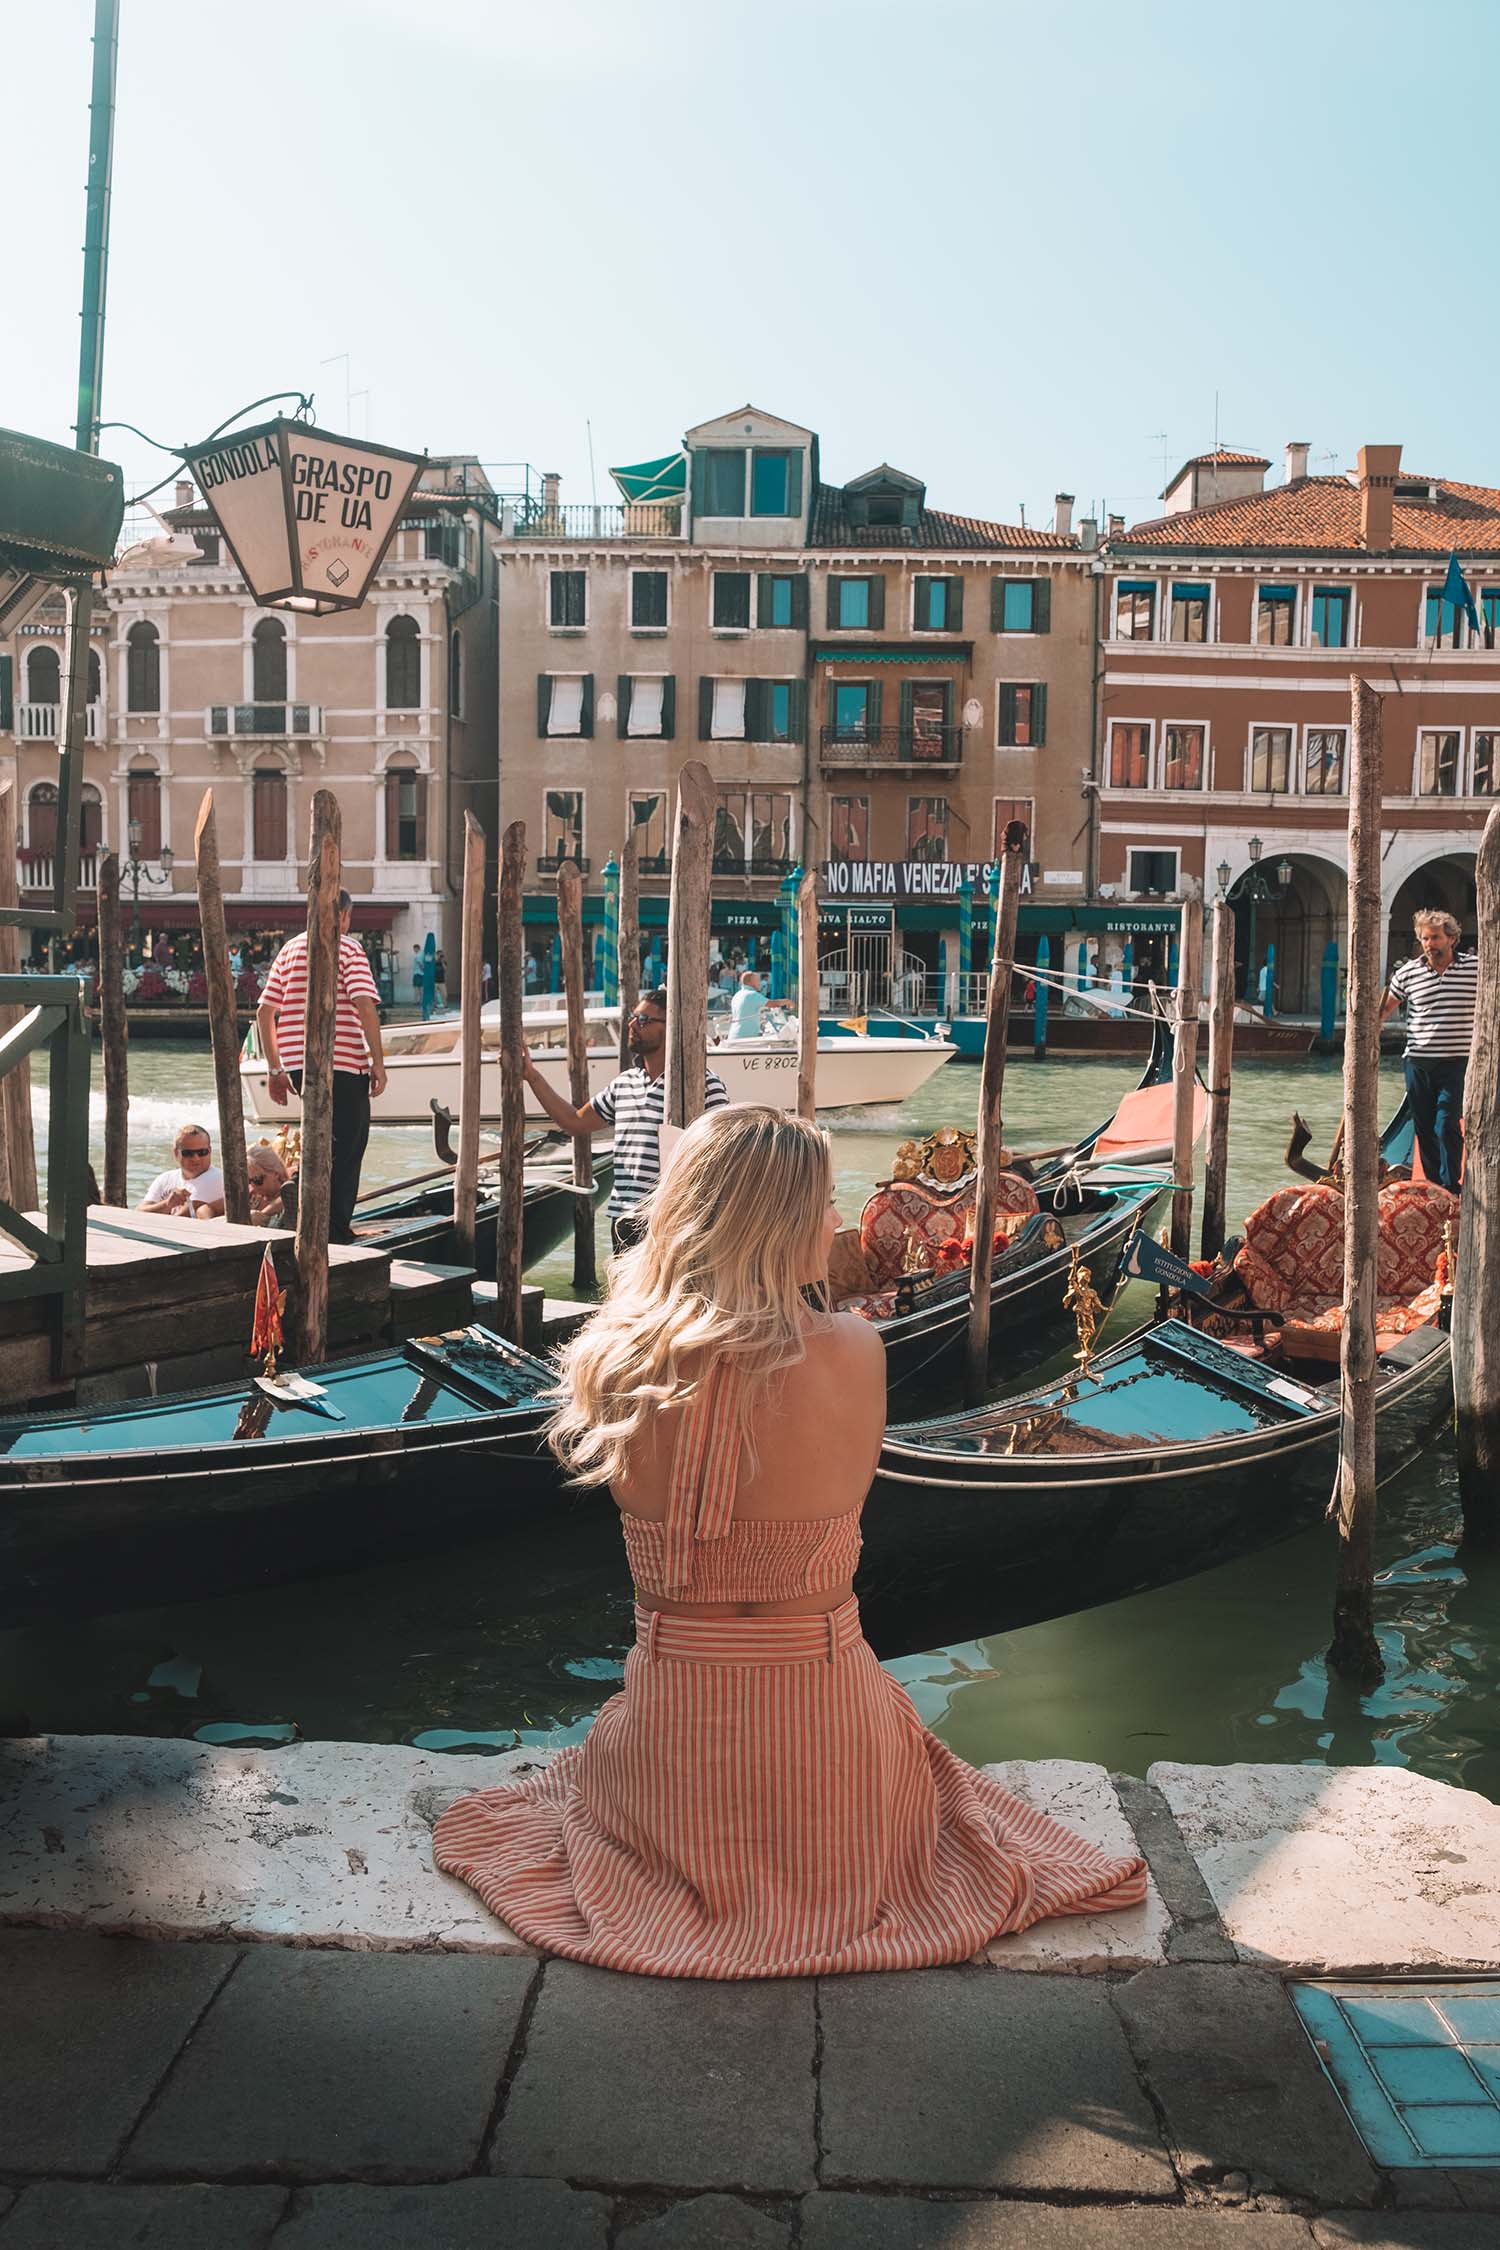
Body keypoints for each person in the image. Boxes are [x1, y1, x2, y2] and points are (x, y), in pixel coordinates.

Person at [433, 1106, 1146, 1976]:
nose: (840, 1223)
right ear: (774, 1222)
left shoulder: (610, 1358)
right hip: (828, 1738)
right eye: (825, 1204)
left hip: (676, 1742)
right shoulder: (855, 1349)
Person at [521, 986, 728, 1251]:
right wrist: (532, 1077)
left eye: (643, 1020)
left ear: (671, 1028)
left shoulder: (703, 1084)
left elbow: (725, 1153)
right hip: (624, 1219)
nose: (632, 1024)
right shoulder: (624, 1084)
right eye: (633, 1018)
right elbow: (573, 1122)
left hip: (672, 1222)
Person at [256, 890, 388, 1243]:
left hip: (300, 1065)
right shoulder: (348, 948)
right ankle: (335, 1231)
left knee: (320, 1140)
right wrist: (378, 1061)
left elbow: (264, 1013)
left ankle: (309, 1213)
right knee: (349, 1145)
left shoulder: (289, 949)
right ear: (343, 916)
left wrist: (275, 1070)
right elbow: (365, 1006)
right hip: (343, 1062)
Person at [1381, 908, 1477, 1191]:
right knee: (1423, 1128)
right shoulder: (1407, 973)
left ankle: (1451, 1186)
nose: (1429, 944)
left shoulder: (1476, 968)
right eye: (1424, 938)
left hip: (1457, 1061)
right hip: (1417, 1062)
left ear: (1452, 939)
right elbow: (1384, 1009)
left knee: (1447, 1123)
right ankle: (1433, 1186)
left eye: (1435, 938)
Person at [138, 1124, 225, 1219]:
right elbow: (139, 1213)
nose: (196, 1158)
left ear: (210, 1151)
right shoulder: (165, 1178)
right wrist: (167, 1204)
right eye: (188, 1153)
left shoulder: (218, 1179)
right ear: (176, 1153)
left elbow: (188, 1211)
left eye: (202, 1152)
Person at [245, 1142, 293, 1228]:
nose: (253, 1186)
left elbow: (292, 1196)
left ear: (275, 1173)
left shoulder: (292, 1188)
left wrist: (263, 1215)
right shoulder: (251, 1195)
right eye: (248, 1181)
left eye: (257, 1180)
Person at [728, 968, 765, 1039]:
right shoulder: (753, 994)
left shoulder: (737, 995)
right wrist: (787, 1001)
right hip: (745, 1038)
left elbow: (745, 1012)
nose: (759, 983)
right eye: (757, 981)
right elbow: (772, 1004)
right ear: (751, 982)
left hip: (734, 1035)